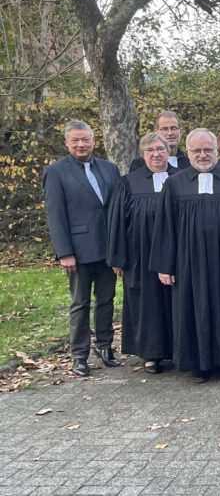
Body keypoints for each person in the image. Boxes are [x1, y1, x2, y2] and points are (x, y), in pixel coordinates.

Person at [152, 129, 220, 383]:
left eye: (208, 150)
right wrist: (165, 266)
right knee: (195, 309)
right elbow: (165, 227)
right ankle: (199, 364)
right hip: (190, 264)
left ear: (217, 150)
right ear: (187, 152)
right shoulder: (175, 184)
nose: (203, 155)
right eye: (197, 150)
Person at [43, 120, 123, 377]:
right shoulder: (56, 172)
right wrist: (64, 251)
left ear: (93, 141)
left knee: (106, 300)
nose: (81, 144)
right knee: (80, 303)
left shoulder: (110, 169)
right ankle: (79, 355)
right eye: (75, 140)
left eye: (85, 139)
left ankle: (105, 346)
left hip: (108, 248)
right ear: (67, 143)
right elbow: (55, 215)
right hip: (77, 250)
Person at [107, 133, 177, 374]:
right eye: (150, 150)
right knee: (147, 304)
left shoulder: (182, 179)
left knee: (174, 302)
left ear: (169, 151)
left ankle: (178, 349)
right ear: (143, 154)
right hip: (140, 256)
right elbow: (117, 222)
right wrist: (118, 258)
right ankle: (151, 354)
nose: (156, 154)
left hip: (176, 255)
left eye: (161, 149)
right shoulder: (129, 183)